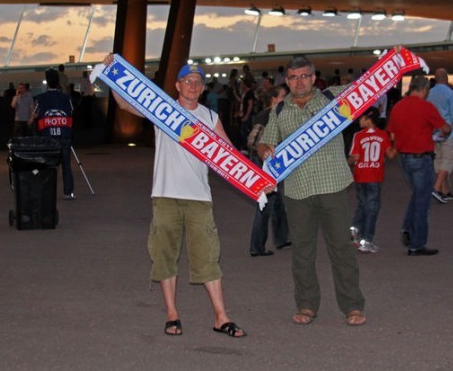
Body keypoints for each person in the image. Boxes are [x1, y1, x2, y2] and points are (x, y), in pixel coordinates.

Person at [108, 58, 246, 338]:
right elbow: (125, 104)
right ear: (177, 85)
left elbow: (230, 155)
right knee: (165, 256)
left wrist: (258, 178)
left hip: (199, 197)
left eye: (197, 82)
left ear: (202, 88)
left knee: (208, 256)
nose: (193, 86)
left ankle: (221, 317)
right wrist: (111, 75)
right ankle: (172, 315)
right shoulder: (164, 110)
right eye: (187, 81)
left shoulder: (210, 117)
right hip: (166, 194)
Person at [257, 55, 366, 327]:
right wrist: (265, 150)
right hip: (297, 190)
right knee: (302, 252)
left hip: (333, 186)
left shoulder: (334, 97)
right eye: (293, 77)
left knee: (341, 248)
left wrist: (395, 59)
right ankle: (306, 305)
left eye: (304, 76)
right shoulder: (280, 110)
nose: (299, 81)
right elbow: (265, 142)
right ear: (287, 81)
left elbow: (369, 86)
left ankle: (352, 305)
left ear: (314, 77)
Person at [387, 75, 450, 255]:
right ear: (424, 90)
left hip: (404, 158)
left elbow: (391, 134)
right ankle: (417, 244)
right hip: (422, 158)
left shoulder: (398, 106)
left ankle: (407, 228)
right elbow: (445, 128)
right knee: (423, 201)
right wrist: (443, 134)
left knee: (418, 194)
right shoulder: (426, 107)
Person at [248, 86, 291, 257]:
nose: (286, 99)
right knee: (264, 204)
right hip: (263, 165)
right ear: (273, 99)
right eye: (282, 96)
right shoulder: (265, 116)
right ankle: (257, 247)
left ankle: (281, 238)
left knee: (277, 201)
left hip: (272, 165)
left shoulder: (279, 116)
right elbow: (253, 141)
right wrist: (266, 149)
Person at [348, 106, 395, 253]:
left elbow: (354, 157)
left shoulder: (359, 136)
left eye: (362, 118)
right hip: (375, 175)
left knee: (363, 203)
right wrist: (397, 142)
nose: (359, 120)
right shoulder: (383, 135)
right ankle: (366, 239)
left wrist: (346, 163)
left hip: (360, 174)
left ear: (369, 120)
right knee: (372, 207)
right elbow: (391, 155)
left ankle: (355, 228)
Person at [33, 69, 75, 199]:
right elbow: (72, 111)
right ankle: (68, 192)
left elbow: (35, 113)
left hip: (48, 137)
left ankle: (47, 191)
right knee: (66, 165)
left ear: (47, 83)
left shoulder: (40, 98)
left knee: (48, 165)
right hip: (64, 136)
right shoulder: (66, 97)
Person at [426, 68, 453, 203]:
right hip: (448, 131)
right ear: (447, 78)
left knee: (438, 160)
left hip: (434, 132)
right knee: (450, 158)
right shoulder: (451, 94)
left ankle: (444, 190)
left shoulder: (429, 93)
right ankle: (435, 188)